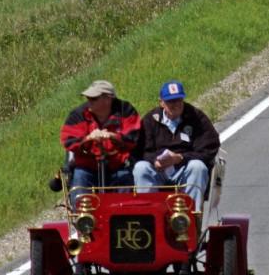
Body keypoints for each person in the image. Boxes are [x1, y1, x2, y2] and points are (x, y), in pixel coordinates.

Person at [133, 81, 220, 212]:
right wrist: (154, 160)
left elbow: (209, 147)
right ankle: (149, 216)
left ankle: (191, 217)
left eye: (179, 100)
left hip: (184, 169)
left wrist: (181, 157)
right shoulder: (150, 120)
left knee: (198, 166)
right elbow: (140, 150)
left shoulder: (196, 117)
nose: (176, 105)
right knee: (141, 168)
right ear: (161, 102)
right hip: (159, 170)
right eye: (171, 101)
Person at [60, 80, 140, 205]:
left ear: (108, 99)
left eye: (93, 98)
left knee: (126, 185)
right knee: (80, 180)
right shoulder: (78, 115)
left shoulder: (126, 110)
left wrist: (113, 137)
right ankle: (84, 220)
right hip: (87, 166)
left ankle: (122, 218)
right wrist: (88, 139)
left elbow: (134, 138)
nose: (88, 101)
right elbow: (69, 141)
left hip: (118, 165)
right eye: (88, 98)